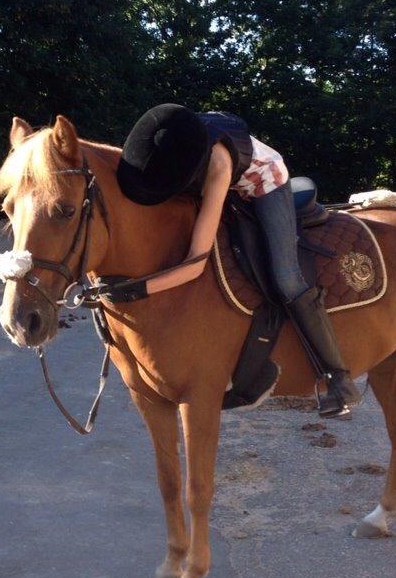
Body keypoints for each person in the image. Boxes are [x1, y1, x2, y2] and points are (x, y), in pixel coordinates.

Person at [107, 103, 362, 417]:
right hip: (202, 175)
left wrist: (139, 289)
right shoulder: (160, 145)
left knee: (286, 277)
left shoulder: (218, 165)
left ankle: (338, 377)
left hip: (263, 183)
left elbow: (196, 263)